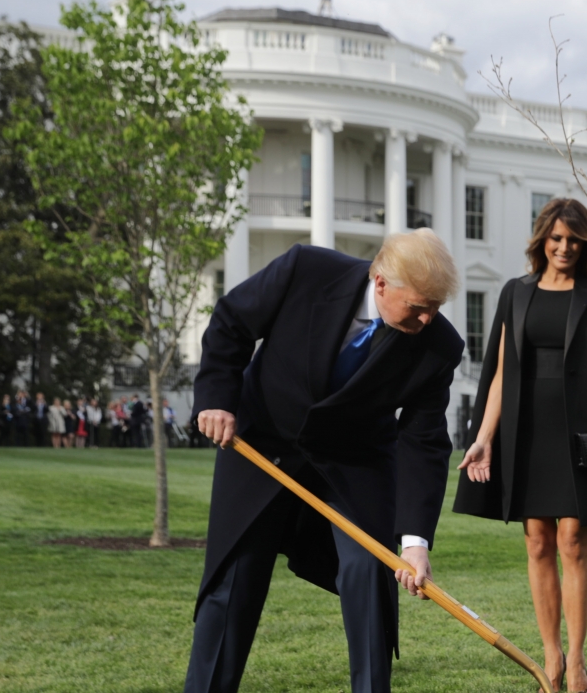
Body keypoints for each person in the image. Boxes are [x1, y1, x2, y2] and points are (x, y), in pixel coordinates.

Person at [184, 230, 463, 693]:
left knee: (370, 574)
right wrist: (216, 399)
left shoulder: (438, 346)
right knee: (235, 579)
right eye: (418, 306)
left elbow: (424, 440)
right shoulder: (305, 270)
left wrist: (414, 541)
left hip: (354, 464)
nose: (428, 317)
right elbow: (232, 320)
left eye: (435, 306)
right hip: (262, 443)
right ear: (380, 283)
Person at [453, 199, 587, 693]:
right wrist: (483, 438)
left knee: (572, 541)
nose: (564, 248)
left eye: (574, 240)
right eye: (556, 238)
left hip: (579, 425)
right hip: (526, 428)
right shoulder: (515, 293)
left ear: (586, 243)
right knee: (537, 540)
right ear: (542, 238)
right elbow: (499, 373)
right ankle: (552, 663)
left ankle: (579, 664)